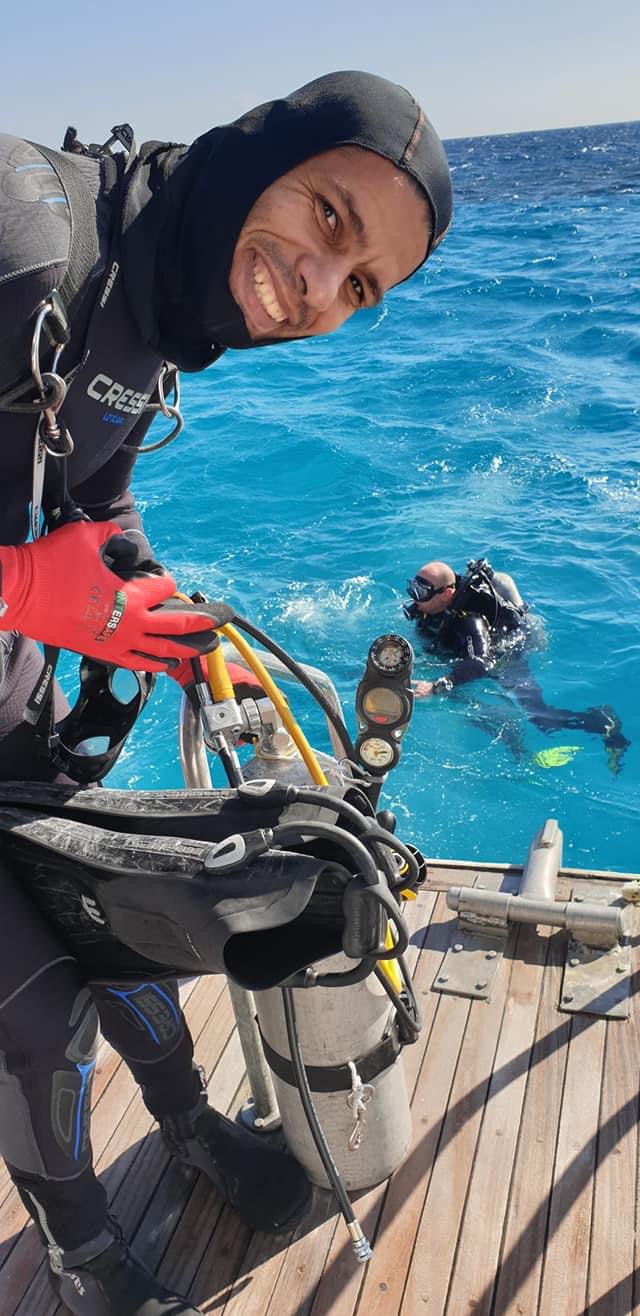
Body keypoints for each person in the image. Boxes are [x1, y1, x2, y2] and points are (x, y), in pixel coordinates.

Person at [0, 73, 453, 1314]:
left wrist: (144, 595)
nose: (315, 284)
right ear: (265, 150)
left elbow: (92, 487)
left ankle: (193, 1126)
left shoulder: (146, 307)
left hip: (10, 711)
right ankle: (88, 1264)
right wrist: (32, 592)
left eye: (358, 286)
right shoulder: (24, 245)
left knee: (109, 935)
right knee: (35, 1008)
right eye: (325, 215)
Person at [404, 558, 630, 773]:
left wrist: (439, 685)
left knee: (540, 717)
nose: (415, 598)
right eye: (413, 588)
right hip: (464, 651)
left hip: (505, 657)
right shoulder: (431, 607)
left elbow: (482, 662)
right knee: (472, 712)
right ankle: (516, 744)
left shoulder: (469, 621)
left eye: (421, 592)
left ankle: (601, 721)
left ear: (447, 593)